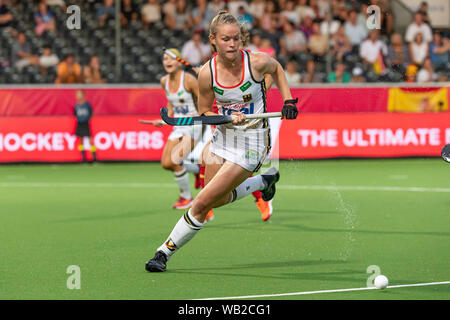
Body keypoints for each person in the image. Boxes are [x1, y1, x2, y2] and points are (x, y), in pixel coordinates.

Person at [145, 11, 298, 272]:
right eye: (226, 39)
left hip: (253, 143)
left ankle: (163, 252)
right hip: (223, 137)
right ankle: (262, 182)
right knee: (218, 198)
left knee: (202, 202)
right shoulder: (206, 74)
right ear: (213, 39)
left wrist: (288, 101)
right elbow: (205, 111)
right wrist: (225, 117)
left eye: (236, 38)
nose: (232, 44)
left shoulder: (257, 62)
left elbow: (278, 70)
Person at [146, 48, 203, 210]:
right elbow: (171, 103)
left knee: (175, 160)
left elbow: (204, 99)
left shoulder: (189, 80)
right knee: (166, 164)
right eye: (165, 59)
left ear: (179, 62)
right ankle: (197, 169)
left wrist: (205, 119)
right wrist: (165, 120)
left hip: (193, 125)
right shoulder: (164, 81)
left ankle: (187, 197)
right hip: (177, 125)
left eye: (171, 59)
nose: (168, 62)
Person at [74, 90, 97, 163]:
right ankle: (83, 158)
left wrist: (86, 119)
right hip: (79, 124)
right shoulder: (76, 106)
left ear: (83, 95)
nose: (78, 96)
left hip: (86, 124)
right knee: (81, 141)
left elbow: (91, 114)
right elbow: (75, 115)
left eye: (79, 94)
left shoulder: (87, 105)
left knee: (90, 140)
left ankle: (94, 158)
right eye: (77, 94)